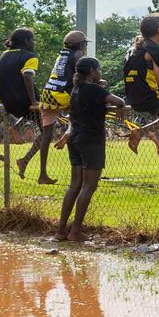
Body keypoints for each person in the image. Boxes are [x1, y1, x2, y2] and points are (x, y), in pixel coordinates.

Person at [57, 57, 126, 243]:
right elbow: (118, 101)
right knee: (89, 186)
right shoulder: (94, 90)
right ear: (93, 71)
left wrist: (101, 87)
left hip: (75, 140)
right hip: (91, 140)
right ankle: (76, 231)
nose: (100, 73)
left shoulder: (76, 89)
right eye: (99, 70)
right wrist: (108, 95)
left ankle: (61, 231)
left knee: (74, 185)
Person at [33, 30, 90, 185]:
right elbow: (83, 76)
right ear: (79, 45)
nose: (84, 46)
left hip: (47, 95)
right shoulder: (78, 55)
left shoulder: (61, 55)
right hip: (63, 95)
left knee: (47, 135)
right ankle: (68, 133)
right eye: (84, 43)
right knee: (84, 115)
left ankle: (42, 174)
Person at [122, 14, 159, 158]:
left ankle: (149, 133)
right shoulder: (154, 49)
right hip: (150, 98)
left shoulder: (132, 48)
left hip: (133, 99)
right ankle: (148, 133)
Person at [0, 28, 41, 172]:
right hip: (25, 101)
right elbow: (27, 76)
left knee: (28, 115)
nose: (34, 42)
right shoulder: (30, 56)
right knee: (48, 131)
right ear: (26, 41)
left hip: (8, 103)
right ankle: (25, 160)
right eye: (33, 39)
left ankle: (15, 127)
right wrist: (34, 102)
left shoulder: (3, 55)